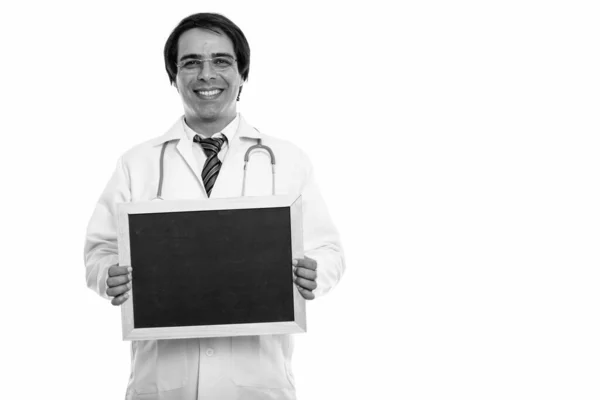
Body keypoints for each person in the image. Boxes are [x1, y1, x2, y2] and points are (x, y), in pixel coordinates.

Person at [84, 12, 345, 400]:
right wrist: (108, 275)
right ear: (173, 76)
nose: (206, 74)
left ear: (243, 74)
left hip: (257, 382)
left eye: (221, 61)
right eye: (191, 63)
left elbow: (329, 251)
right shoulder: (136, 163)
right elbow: (100, 250)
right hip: (163, 383)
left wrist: (315, 273)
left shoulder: (288, 160)